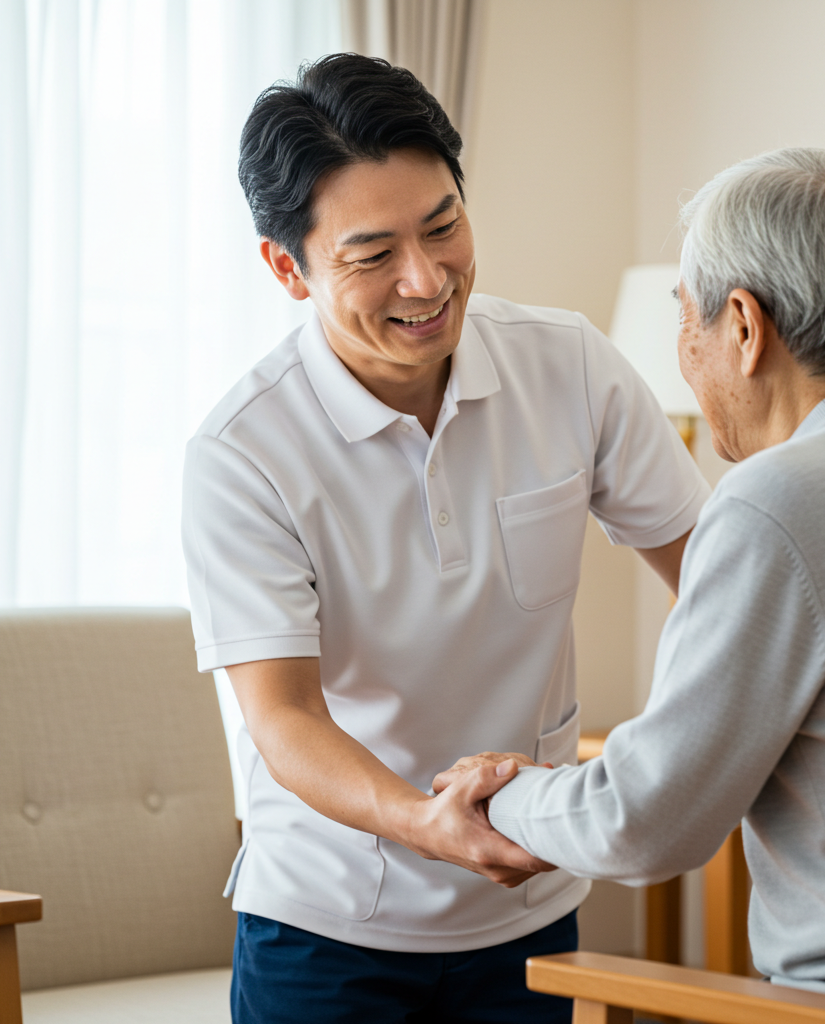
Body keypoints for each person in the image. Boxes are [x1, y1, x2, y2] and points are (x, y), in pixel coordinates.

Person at [181, 53, 709, 1023]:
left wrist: (675, 752)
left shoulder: (571, 366)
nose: (425, 281)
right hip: (325, 925)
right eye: (372, 254)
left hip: (529, 908)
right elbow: (285, 720)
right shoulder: (242, 452)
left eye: (444, 227)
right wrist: (427, 823)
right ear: (287, 267)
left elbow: (719, 582)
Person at [438, 149, 825, 1023]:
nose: (684, 351)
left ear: (744, 327)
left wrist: (502, 793)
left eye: (686, 317)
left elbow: (644, 822)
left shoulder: (777, 499)